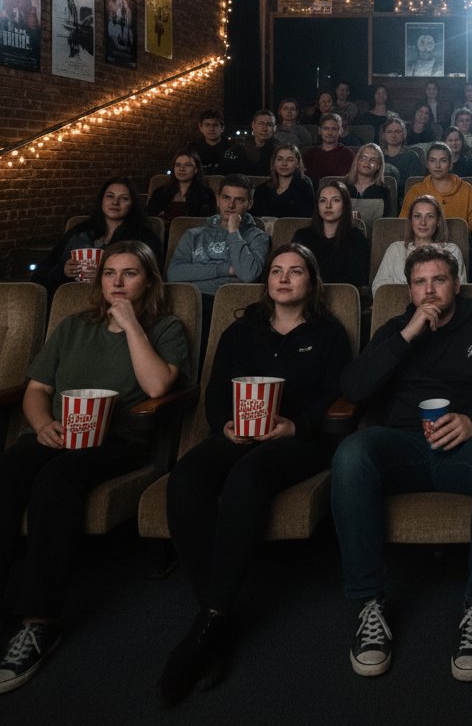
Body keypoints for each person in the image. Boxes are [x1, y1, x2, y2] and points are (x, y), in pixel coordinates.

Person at [159, 243, 349, 706]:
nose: (284, 279)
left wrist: (294, 426)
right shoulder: (241, 330)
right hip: (237, 433)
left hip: (299, 441)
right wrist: (225, 423)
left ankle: (209, 623)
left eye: (296, 272)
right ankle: (215, 618)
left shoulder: (328, 333)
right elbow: (217, 390)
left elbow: (336, 393)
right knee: (186, 478)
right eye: (277, 271)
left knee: (248, 476)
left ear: (311, 282)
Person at [0, 241, 189, 694]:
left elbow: (158, 385)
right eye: (110, 274)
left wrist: (130, 328)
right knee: (10, 468)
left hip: (118, 441)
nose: (118, 283)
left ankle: (39, 620)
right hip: (59, 431)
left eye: (129, 274)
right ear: (98, 280)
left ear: (148, 281)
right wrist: (43, 424)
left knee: (56, 480)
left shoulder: (165, 326)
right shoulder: (71, 326)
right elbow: (38, 388)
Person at [331, 245, 472, 681]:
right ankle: (369, 606)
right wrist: (407, 336)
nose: (430, 291)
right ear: (409, 290)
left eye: (438, 280)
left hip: (466, 444)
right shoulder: (397, 328)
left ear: (456, 284)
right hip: (404, 444)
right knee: (351, 455)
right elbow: (355, 387)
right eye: (420, 282)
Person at [33, 176, 164, 297]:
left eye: (124, 198)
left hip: (120, 300)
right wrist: (63, 272)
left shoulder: (145, 237)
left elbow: (154, 279)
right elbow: (39, 276)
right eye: (110, 196)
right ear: (101, 200)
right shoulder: (79, 233)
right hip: (75, 298)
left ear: (132, 204)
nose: (115, 203)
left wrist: (107, 275)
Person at [167, 175, 271, 319]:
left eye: (239, 200)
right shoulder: (194, 235)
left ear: (250, 203)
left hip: (231, 304)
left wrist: (234, 231)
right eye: (226, 198)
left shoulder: (258, 237)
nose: (231, 205)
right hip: (191, 302)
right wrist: (227, 269)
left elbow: (248, 275)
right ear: (217, 199)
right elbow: (173, 273)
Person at [371, 195, 467, 294]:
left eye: (430, 216)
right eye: (417, 216)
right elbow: (379, 290)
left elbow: (458, 290)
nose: (423, 222)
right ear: (411, 220)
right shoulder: (395, 249)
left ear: (438, 221)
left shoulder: (452, 250)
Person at [292, 180, 370, 286]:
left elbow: (359, 281)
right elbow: (294, 274)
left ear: (345, 205)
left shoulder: (357, 239)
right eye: (323, 201)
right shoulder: (302, 236)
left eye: (335, 200)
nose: (328, 206)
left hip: (343, 298)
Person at [399, 142, 472, 232]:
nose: (437, 166)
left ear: (450, 164)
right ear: (427, 164)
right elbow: (404, 223)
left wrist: (458, 232)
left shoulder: (466, 189)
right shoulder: (416, 191)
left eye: (443, 160)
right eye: (432, 160)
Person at [146, 150, 217, 227]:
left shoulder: (206, 193)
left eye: (188, 165)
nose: (181, 169)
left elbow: (207, 221)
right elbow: (149, 217)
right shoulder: (160, 192)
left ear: (196, 169)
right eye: (178, 165)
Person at [252, 143, 315, 219]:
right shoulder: (262, 190)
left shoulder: (304, 185)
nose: (284, 164)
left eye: (290, 160)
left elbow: (306, 217)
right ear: (274, 162)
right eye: (279, 159)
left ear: (297, 163)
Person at [302, 112, 354, 188]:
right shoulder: (309, 154)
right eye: (326, 128)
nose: (330, 133)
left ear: (340, 131)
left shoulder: (347, 154)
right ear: (319, 130)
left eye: (334, 129)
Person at [343, 143, 394, 217]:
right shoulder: (344, 187)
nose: (367, 162)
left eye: (373, 159)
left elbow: (387, 222)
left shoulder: (384, 190)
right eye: (364, 157)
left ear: (378, 166)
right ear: (357, 161)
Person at [379, 114, 423, 199]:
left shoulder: (411, 157)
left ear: (404, 134)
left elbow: (413, 187)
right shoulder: (377, 156)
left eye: (397, 132)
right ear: (384, 135)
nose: (393, 135)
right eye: (389, 132)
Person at [223, 110, 277, 177]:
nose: (265, 129)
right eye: (260, 123)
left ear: (274, 128)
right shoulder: (236, 150)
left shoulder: (279, 151)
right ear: (253, 126)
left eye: (269, 124)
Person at [185, 109, 229, 175]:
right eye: (207, 125)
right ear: (200, 127)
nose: (211, 129)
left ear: (222, 127)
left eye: (215, 125)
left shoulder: (232, 149)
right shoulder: (192, 149)